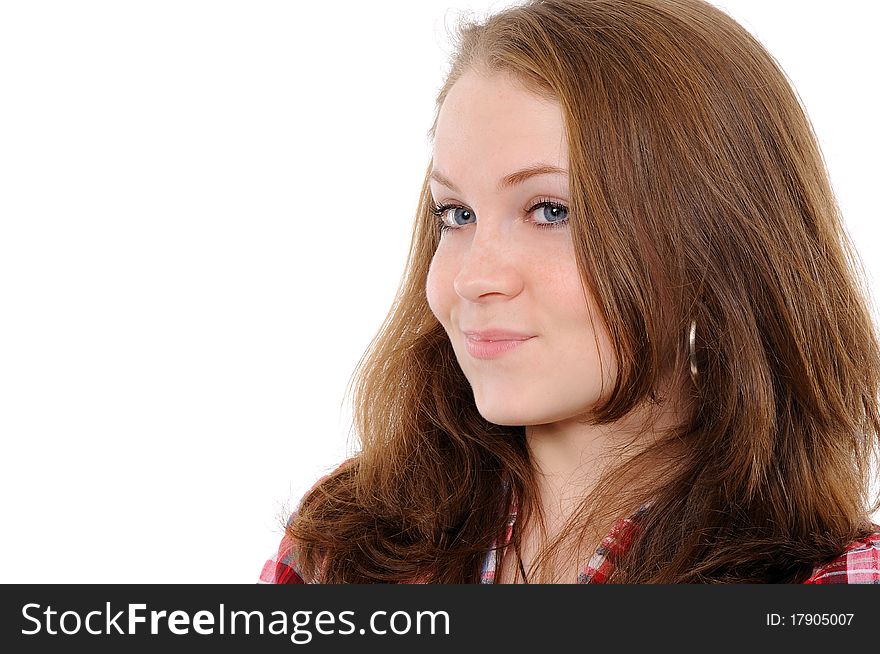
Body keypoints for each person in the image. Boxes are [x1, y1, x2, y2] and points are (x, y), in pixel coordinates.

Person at [261, 0, 880, 584]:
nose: (474, 278)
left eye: (551, 211)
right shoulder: (344, 545)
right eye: (456, 214)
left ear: (712, 241)